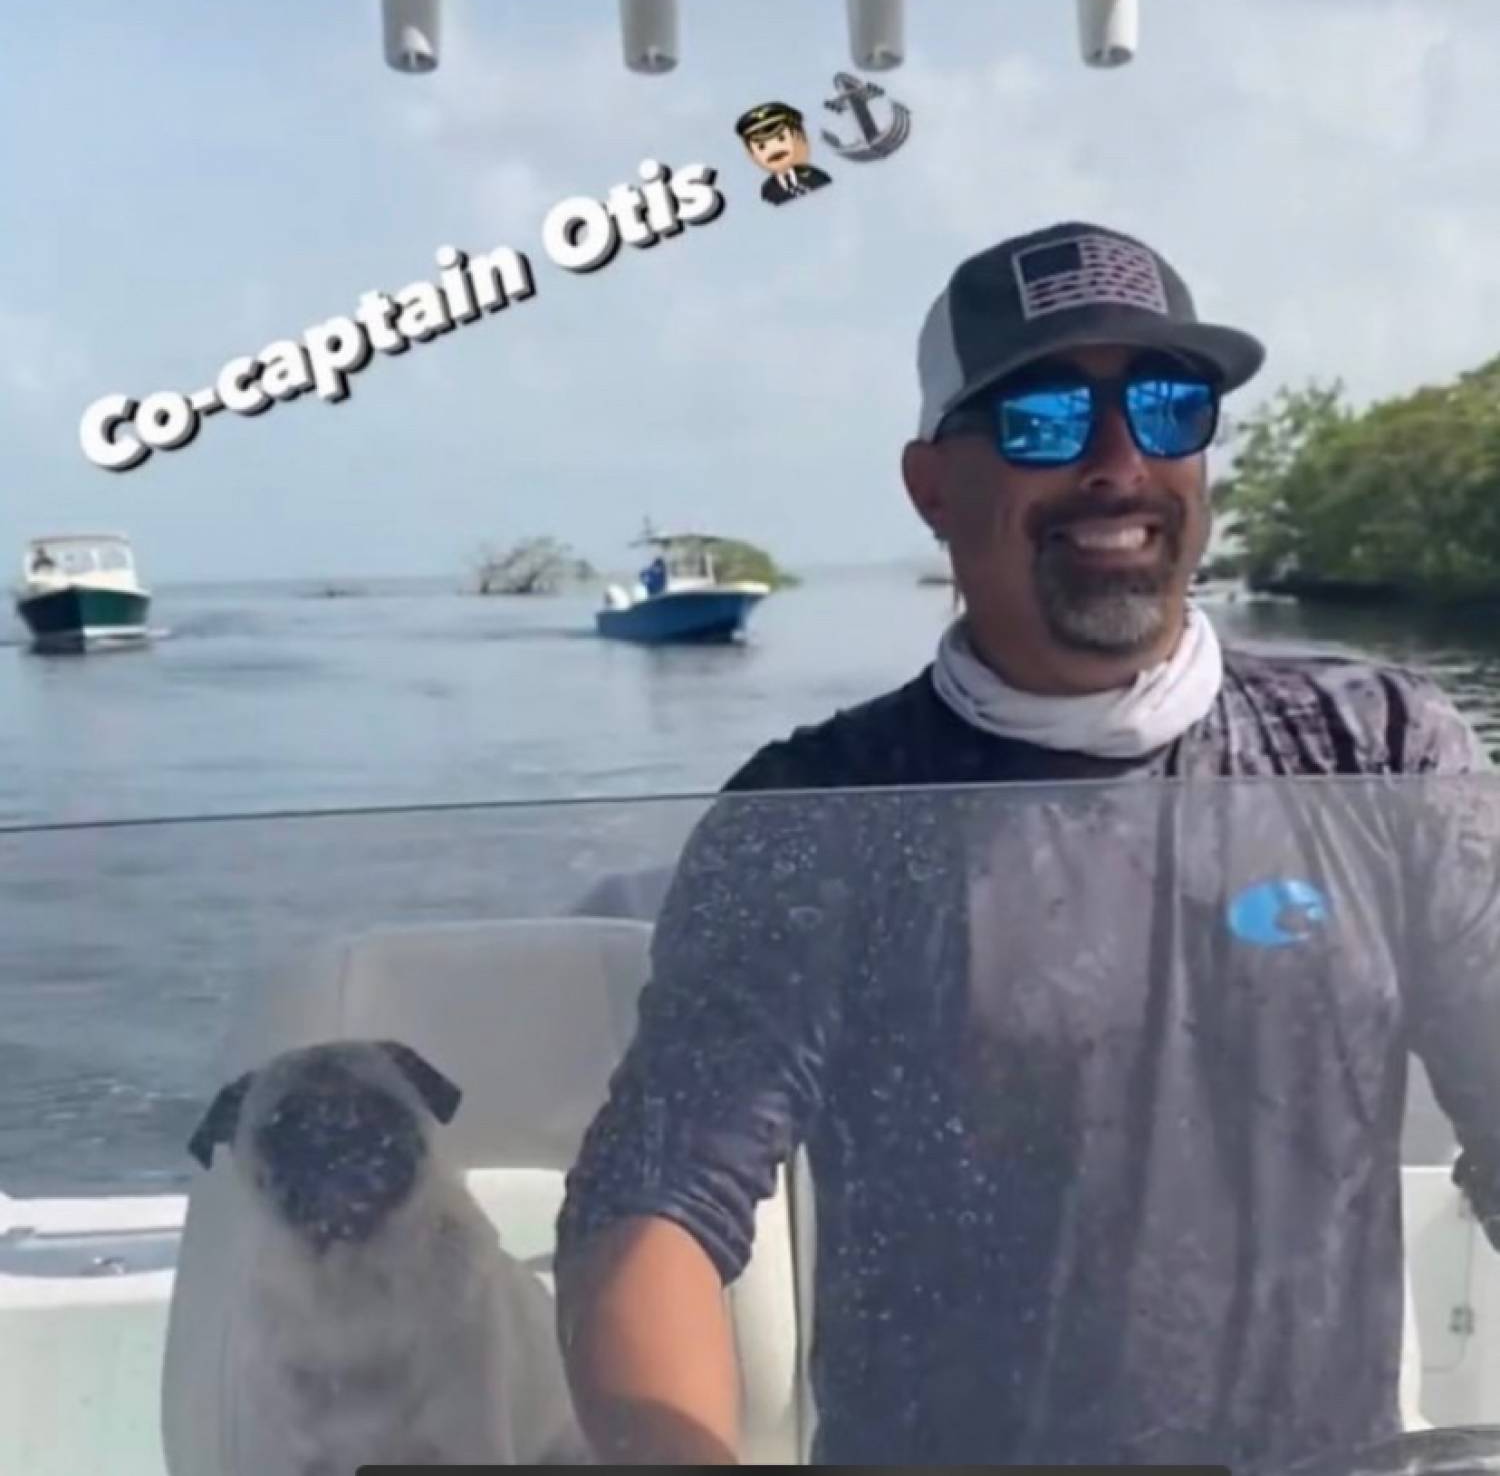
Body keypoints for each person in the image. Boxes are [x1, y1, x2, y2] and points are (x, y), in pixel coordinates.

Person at [553, 221, 1500, 1469]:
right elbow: (657, 1200)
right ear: (932, 487)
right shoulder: (819, 813)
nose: (1118, 463)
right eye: (1044, 418)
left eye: (1167, 408)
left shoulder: (1379, 750)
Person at [734, 102, 833, 206]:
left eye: (781, 139)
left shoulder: (818, 178)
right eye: (762, 147)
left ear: (800, 138)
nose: (773, 150)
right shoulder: (767, 192)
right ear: (752, 155)